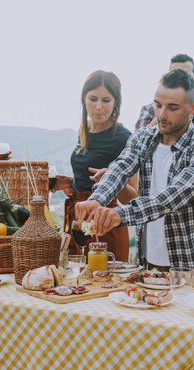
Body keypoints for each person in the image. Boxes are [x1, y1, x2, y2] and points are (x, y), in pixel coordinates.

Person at [75, 68, 194, 271]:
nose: (161, 114)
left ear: (192, 108)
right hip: (145, 264)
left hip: (192, 266)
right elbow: (119, 168)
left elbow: (169, 199)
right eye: (158, 105)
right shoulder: (143, 137)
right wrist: (96, 199)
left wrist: (120, 215)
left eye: (172, 108)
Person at [54, 70, 137, 262]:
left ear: (116, 102)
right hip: (77, 221)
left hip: (105, 223)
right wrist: (69, 184)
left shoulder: (123, 138)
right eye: (93, 99)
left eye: (106, 100)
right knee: (76, 283)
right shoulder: (84, 130)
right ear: (84, 99)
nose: (99, 107)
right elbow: (86, 176)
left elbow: (133, 196)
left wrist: (112, 180)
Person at [135, 53, 194, 134]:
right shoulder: (149, 110)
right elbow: (138, 139)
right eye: (174, 75)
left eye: (186, 75)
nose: (180, 80)